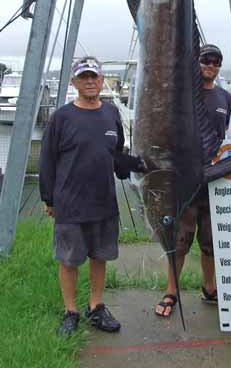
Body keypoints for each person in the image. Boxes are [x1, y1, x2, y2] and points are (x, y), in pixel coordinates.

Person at [39, 56, 142, 336]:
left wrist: (138, 165)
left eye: (94, 76)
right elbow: (47, 161)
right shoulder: (61, 117)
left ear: (101, 80)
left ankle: (95, 306)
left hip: (104, 203)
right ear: (74, 82)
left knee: (100, 257)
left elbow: (116, 154)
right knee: (69, 260)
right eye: (83, 77)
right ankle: (70, 311)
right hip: (69, 204)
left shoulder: (111, 114)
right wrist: (49, 199)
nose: (89, 81)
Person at [155, 43, 231, 318]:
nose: (210, 65)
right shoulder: (181, 96)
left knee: (211, 242)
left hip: (215, 182)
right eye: (205, 60)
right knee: (180, 240)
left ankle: (209, 287)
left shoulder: (226, 97)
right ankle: (171, 290)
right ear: (196, 63)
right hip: (186, 182)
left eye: (215, 61)